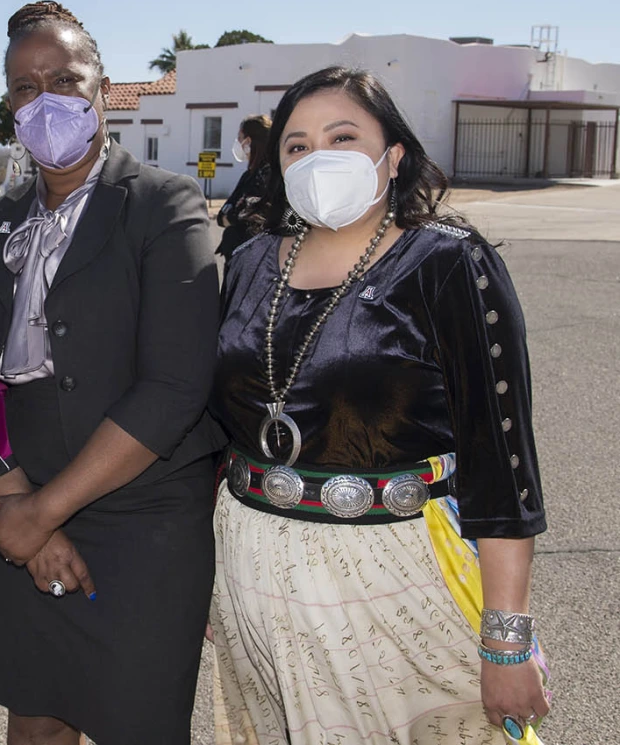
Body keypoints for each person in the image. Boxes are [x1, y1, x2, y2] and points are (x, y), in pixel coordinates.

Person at [210, 66, 551, 745]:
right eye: (298, 146)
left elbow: (501, 467)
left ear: (393, 156)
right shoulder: (248, 263)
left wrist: (506, 643)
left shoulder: (448, 263)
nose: (318, 158)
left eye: (343, 137)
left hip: (396, 574)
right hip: (251, 572)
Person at [0, 1, 222, 745]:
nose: (46, 101)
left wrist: (47, 512)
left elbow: (174, 387)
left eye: (65, 78)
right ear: (8, 107)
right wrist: (18, 508)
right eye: (24, 87)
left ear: (103, 87)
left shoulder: (165, 206)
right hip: (24, 505)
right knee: (36, 725)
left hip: (142, 520)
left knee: (137, 723)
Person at [215, 114, 272, 259]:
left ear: (248, 141)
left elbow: (238, 214)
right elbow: (222, 216)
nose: (237, 143)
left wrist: (235, 216)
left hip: (252, 259)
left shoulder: (266, 176)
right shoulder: (249, 175)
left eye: (239, 138)